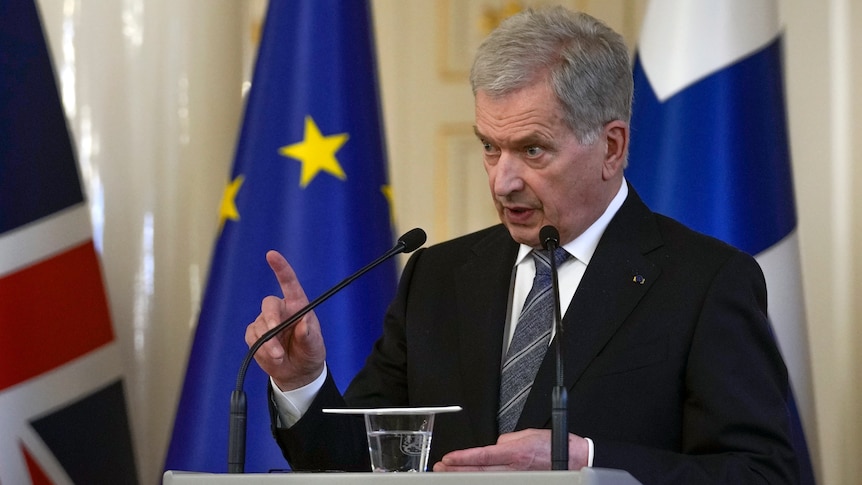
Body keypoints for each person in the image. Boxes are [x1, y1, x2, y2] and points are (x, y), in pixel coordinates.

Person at [245, 6, 800, 484]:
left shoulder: (704, 282)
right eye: (490, 147)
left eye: (532, 150)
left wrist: (589, 461)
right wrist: (301, 383)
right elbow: (358, 465)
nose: (501, 181)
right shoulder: (435, 277)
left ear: (611, 147)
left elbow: (762, 473)